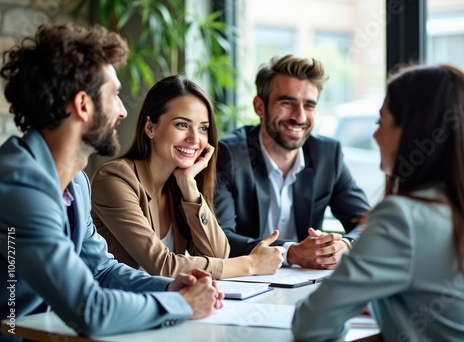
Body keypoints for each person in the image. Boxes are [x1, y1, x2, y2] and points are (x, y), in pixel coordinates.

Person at [0, 23, 222, 340]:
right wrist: (181, 303)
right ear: (83, 105)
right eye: (115, 95)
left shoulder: (76, 182)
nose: (121, 111)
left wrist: (171, 285)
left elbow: (101, 269)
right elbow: (90, 310)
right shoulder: (19, 185)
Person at [292, 64, 464, 341]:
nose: (375, 135)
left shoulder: (403, 218)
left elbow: (310, 326)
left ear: (412, 129)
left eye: (381, 121)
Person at [90, 75, 285, 279]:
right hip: (117, 305)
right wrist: (251, 264)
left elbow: (218, 254)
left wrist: (189, 187)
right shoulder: (115, 178)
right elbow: (163, 265)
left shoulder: (177, 186)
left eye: (203, 128)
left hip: (166, 302)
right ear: (150, 128)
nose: (194, 139)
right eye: (182, 125)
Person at [215, 55, 370, 269]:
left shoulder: (327, 155)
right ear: (259, 106)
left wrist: (345, 245)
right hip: (243, 284)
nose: (299, 117)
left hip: (307, 284)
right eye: (287, 103)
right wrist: (291, 253)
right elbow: (219, 240)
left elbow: (367, 223)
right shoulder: (229, 155)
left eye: (309, 105)